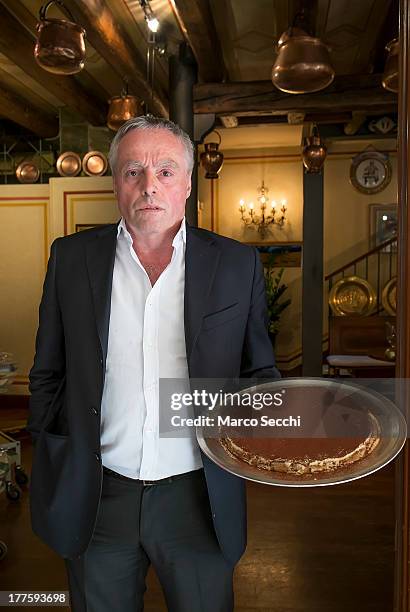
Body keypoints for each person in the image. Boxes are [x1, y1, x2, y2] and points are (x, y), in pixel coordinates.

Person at [27, 115, 280, 612]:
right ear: (116, 182)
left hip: (199, 497)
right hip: (97, 495)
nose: (149, 186)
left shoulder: (236, 263)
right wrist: (53, 446)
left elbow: (259, 373)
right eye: (132, 171)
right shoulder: (70, 258)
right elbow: (47, 370)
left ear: (187, 182)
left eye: (165, 171)